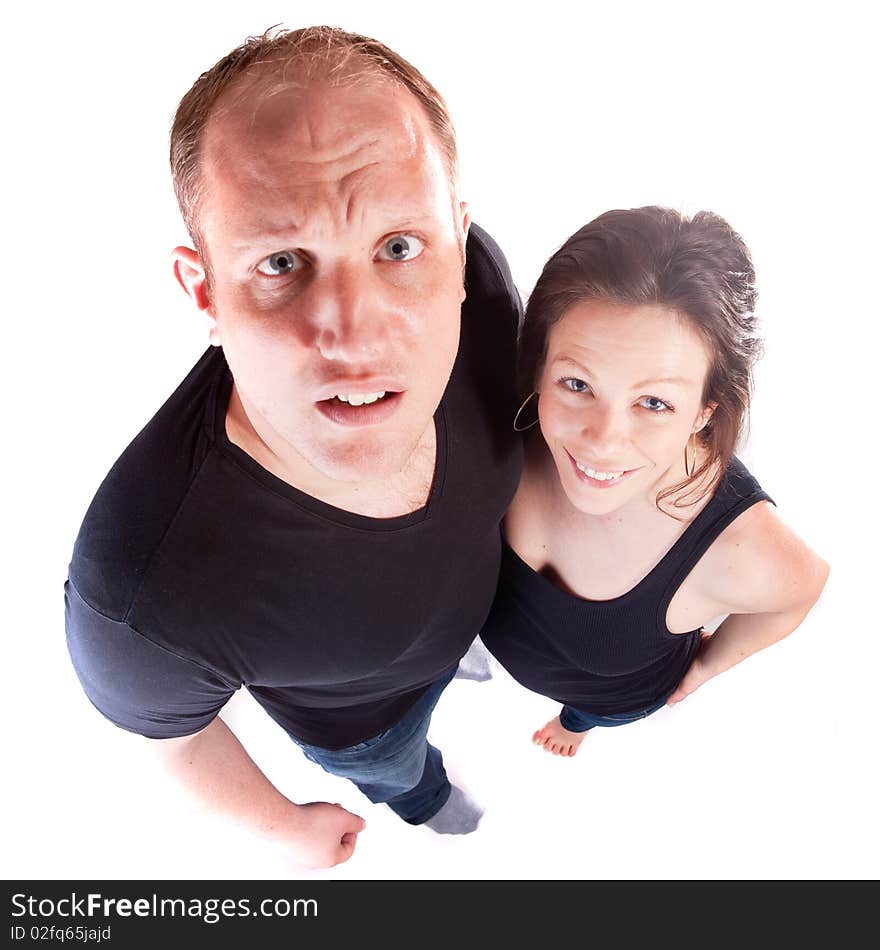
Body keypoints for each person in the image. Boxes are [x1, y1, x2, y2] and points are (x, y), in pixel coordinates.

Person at [64, 26, 522, 868]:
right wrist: (283, 824)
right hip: (369, 729)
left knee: (471, 643)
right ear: (205, 292)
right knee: (407, 776)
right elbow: (173, 742)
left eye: (398, 247)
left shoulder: (486, 302)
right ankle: (435, 811)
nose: (353, 336)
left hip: (472, 611)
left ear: (456, 245)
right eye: (281, 262)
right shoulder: (143, 594)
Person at [480, 206, 828, 757]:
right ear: (540, 365)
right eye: (576, 383)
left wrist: (706, 668)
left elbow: (803, 588)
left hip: (612, 694)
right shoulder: (506, 421)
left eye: (653, 402)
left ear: (703, 413)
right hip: (496, 641)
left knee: (588, 713)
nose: (602, 440)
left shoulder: (737, 547)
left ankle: (577, 724)